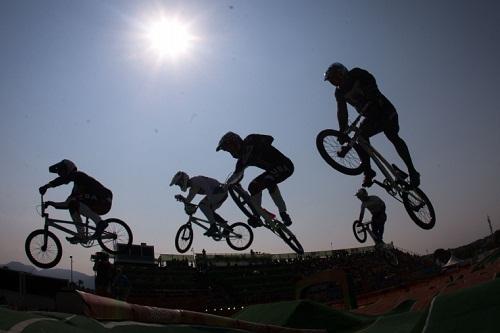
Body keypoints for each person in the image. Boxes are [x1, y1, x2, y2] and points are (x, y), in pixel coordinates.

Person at [324, 62, 420, 188]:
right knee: (361, 137)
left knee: (392, 135)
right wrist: (342, 130)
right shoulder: (339, 92)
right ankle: (368, 171)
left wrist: (371, 94)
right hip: (370, 116)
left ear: (343, 73)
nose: (336, 82)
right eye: (332, 81)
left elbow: (370, 80)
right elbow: (342, 111)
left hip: (384, 109)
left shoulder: (356, 74)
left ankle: (412, 171)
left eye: (336, 78)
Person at [216, 132, 294, 227]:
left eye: (229, 149)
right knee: (253, 186)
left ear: (235, 143)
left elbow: (270, 138)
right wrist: (225, 185)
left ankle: (283, 213)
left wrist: (258, 147)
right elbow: (237, 175)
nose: (230, 152)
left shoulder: (250, 139)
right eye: (228, 151)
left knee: (268, 180)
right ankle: (258, 214)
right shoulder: (242, 161)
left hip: (285, 165)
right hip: (272, 171)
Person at [39, 159, 113, 244]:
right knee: (72, 205)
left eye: (62, 171)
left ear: (69, 169)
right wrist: (51, 203)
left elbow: (62, 180)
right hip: (96, 201)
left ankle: (100, 223)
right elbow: (66, 204)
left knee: (75, 202)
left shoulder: (78, 175)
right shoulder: (76, 189)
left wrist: (46, 186)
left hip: (104, 198)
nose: (60, 174)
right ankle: (81, 234)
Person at [170, 171, 229, 236]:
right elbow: (188, 200)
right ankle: (226, 227)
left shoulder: (196, 182)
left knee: (202, 206)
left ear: (183, 180)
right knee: (209, 211)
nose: (180, 186)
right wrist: (182, 198)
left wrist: (205, 205)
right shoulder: (193, 186)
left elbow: (208, 191)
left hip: (220, 192)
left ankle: (213, 227)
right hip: (219, 193)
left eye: (179, 184)